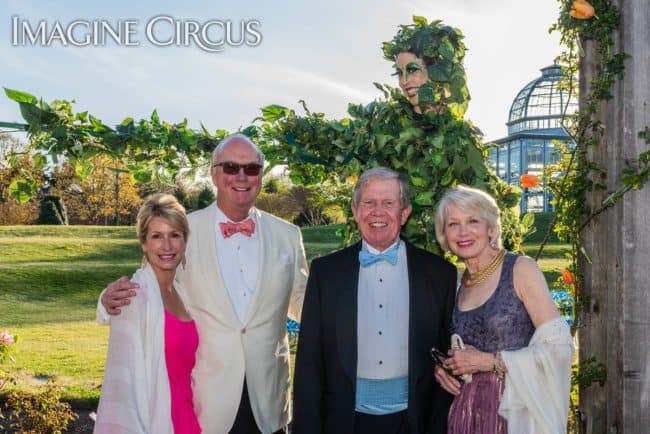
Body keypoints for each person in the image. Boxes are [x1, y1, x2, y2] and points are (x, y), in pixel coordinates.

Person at [97, 134, 308, 434]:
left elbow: (304, 302)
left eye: (252, 168)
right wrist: (106, 301)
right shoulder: (183, 230)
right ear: (213, 173)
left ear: (261, 175)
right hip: (206, 404)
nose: (242, 176)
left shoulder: (288, 235)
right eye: (231, 167)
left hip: (270, 404)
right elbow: (149, 288)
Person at [293, 167, 457, 434]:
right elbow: (310, 361)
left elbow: (447, 351)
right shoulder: (326, 272)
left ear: (404, 213)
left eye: (388, 203)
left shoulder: (439, 274)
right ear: (356, 211)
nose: (377, 212)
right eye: (369, 203)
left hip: (416, 420)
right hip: (344, 420)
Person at [433, 185, 573, 434]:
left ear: (490, 228)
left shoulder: (520, 270)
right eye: (453, 224)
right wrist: (444, 367)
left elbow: (559, 348)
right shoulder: (455, 282)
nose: (463, 231)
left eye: (472, 221)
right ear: (444, 234)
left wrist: (488, 362)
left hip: (515, 413)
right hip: (465, 413)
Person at [94, 193, 201, 433]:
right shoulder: (133, 298)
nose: (167, 246)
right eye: (156, 236)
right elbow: (124, 390)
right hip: (156, 424)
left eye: (175, 235)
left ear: (185, 240)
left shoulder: (183, 295)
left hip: (189, 420)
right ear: (143, 242)